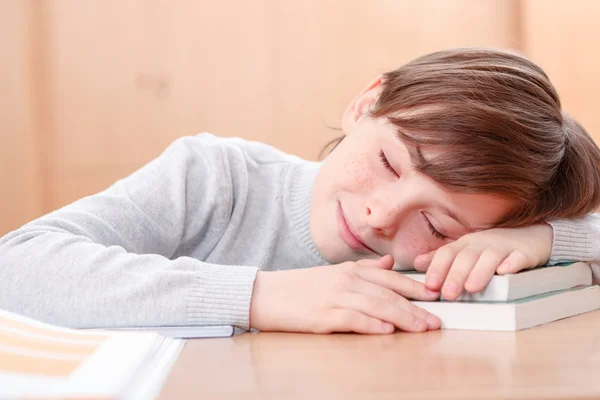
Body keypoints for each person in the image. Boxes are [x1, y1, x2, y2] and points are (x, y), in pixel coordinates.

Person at [1, 47, 600, 335]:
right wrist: (258, 295)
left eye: (438, 226)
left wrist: (543, 238)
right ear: (366, 104)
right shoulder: (216, 177)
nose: (380, 215)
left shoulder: (466, 255)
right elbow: (16, 265)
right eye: (391, 163)